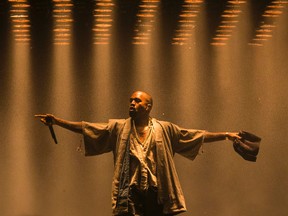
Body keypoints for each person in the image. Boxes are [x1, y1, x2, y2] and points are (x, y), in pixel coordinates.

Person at [35, 91, 241, 216]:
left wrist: (225, 135)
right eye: (130, 100)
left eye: (137, 101)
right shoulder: (119, 128)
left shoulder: (164, 129)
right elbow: (88, 128)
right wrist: (58, 122)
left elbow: (196, 135)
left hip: (157, 194)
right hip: (130, 195)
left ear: (148, 107)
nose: (132, 103)